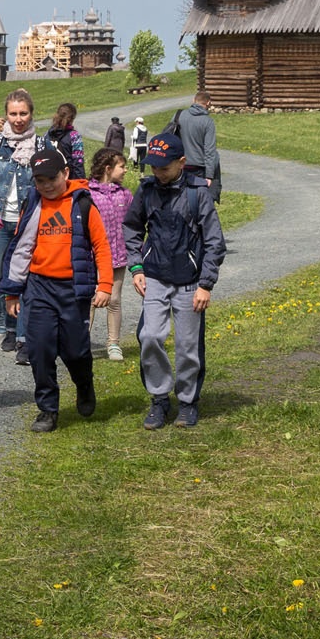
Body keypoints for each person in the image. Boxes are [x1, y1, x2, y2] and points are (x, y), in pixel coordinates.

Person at [2, 147, 114, 433]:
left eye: (51, 178)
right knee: (39, 350)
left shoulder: (83, 203)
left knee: (75, 352)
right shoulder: (34, 203)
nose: (46, 185)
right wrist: (13, 291)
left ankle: (84, 385)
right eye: (40, 180)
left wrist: (105, 285)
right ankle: (47, 410)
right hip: (39, 287)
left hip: (73, 290)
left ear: (65, 173)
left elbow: (101, 246)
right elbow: (20, 248)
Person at [124, 132, 226, 429]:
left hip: (190, 283)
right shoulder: (146, 190)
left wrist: (206, 284)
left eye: (164, 167)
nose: (158, 172)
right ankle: (158, 399)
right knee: (150, 337)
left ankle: (187, 401)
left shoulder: (198, 193)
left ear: (182, 162)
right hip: (154, 277)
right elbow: (131, 228)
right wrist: (136, 267)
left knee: (187, 345)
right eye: (154, 167)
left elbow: (214, 241)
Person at [0, 89, 49, 354]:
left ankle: (24, 337)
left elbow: (55, 178)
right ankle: (8, 328)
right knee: (5, 276)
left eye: (23, 113)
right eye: (13, 114)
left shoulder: (42, 145)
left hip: (29, 221)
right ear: (6, 114)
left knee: (27, 276)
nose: (18, 119)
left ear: (31, 113)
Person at [86, 147, 134, 362]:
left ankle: (113, 343)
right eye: (121, 166)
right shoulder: (87, 194)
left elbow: (133, 224)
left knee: (114, 299)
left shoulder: (125, 194)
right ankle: (82, 343)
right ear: (108, 168)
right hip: (92, 258)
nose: (125, 170)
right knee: (90, 300)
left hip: (118, 256)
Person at [173, 90, 222, 202]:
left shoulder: (179, 115)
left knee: (183, 202)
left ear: (193, 101)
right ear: (208, 103)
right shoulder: (207, 121)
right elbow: (210, 150)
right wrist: (209, 176)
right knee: (201, 203)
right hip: (199, 169)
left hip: (181, 167)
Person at [47, 102, 86, 180]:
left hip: (51, 178)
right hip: (69, 178)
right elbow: (78, 161)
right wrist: (81, 181)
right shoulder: (74, 136)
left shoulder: (47, 135)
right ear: (72, 118)